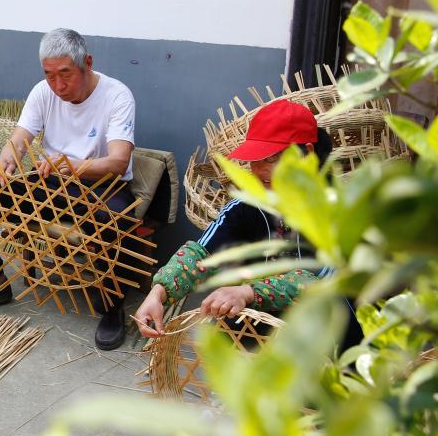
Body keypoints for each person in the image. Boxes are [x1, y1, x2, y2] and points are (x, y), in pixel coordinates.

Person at [0, 28, 137, 350]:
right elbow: (19, 139)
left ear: (87, 63)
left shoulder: (117, 95)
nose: (58, 86)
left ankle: (111, 307)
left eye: (65, 75)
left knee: (116, 218)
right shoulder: (43, 92)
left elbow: (119, 161)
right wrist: (7, 162)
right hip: (50, 183)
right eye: (49, 76)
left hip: (101, 185)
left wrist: (74, 166)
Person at [133, 99, 353, 346]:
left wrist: (248, 292)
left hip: (328, 326)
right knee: (230, 326)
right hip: (265, 314)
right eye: (255, 159)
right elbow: (203, 253)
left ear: (307, 154)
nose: (259, 170)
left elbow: (317, 281)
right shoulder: (247, 206)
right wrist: (159, 292)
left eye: (271, 159)